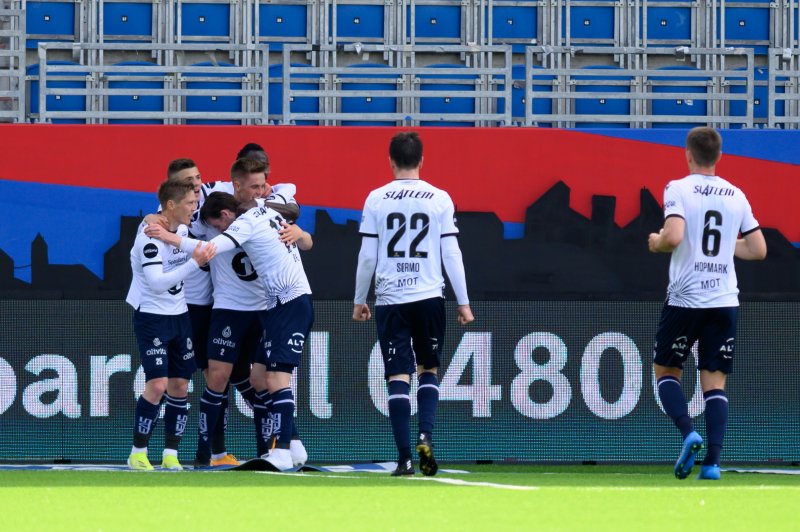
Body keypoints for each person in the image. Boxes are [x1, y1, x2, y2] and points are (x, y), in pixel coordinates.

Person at [148, 188, 314, 472]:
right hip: (277, 305)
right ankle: (296, 447)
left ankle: (283, 451)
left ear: (226, 215)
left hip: (290, 302)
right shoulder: (268, 211)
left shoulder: (245, 223)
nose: (218, 229)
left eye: (218, 225)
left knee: (276, 379)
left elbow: (209, 250)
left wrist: (169, 238)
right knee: (259, 377)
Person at [352, 131, 474, 477]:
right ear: (422, 160)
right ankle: (426, 435)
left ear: (390, 161)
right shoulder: (439, 198)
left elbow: (367, 257)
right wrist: (463, 302)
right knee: (428, 370)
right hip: (429, 296)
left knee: (397, 375)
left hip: (392, 298)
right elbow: (451, 252)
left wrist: (360, 300)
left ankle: (404, 456)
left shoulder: (376, 199)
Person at [648, 126, 766, 481]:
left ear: (687, 154)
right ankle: (713, 464)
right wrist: (726, 244)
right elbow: (758, 249)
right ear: (719, 156)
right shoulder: (736, 194)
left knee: (666, 373)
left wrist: (657, 242)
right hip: (724, 299)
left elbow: (674, 235)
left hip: (686, 299)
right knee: (714, 384)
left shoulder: (678, 188)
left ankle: (688, 433)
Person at [125, 179, 216, 470]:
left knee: (180, 385)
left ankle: (170, 454)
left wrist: (193, 255)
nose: (195, 207)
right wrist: (194, 263)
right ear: (172, 205)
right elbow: (157, 282)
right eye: (190, 203)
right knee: (157, 383)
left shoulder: (182, 231)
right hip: (152, 317)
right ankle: (138, 452)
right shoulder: (149, 237)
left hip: (180, 317)